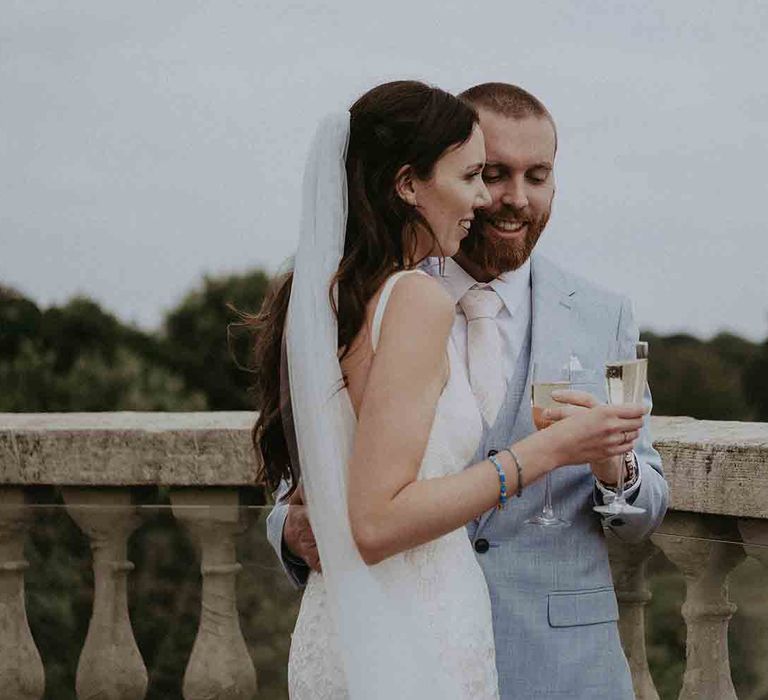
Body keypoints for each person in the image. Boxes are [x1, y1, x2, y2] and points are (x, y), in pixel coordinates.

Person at [257, 80, 652, 699]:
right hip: (411, 636)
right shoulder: (401, 297)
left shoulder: (603, 315)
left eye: (539, 176)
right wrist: (293, 526)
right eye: (485, 173)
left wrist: (612, 464)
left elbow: (646, 499)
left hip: (553, 663)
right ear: (412, 181)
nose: (507, 198)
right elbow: (347, 494)